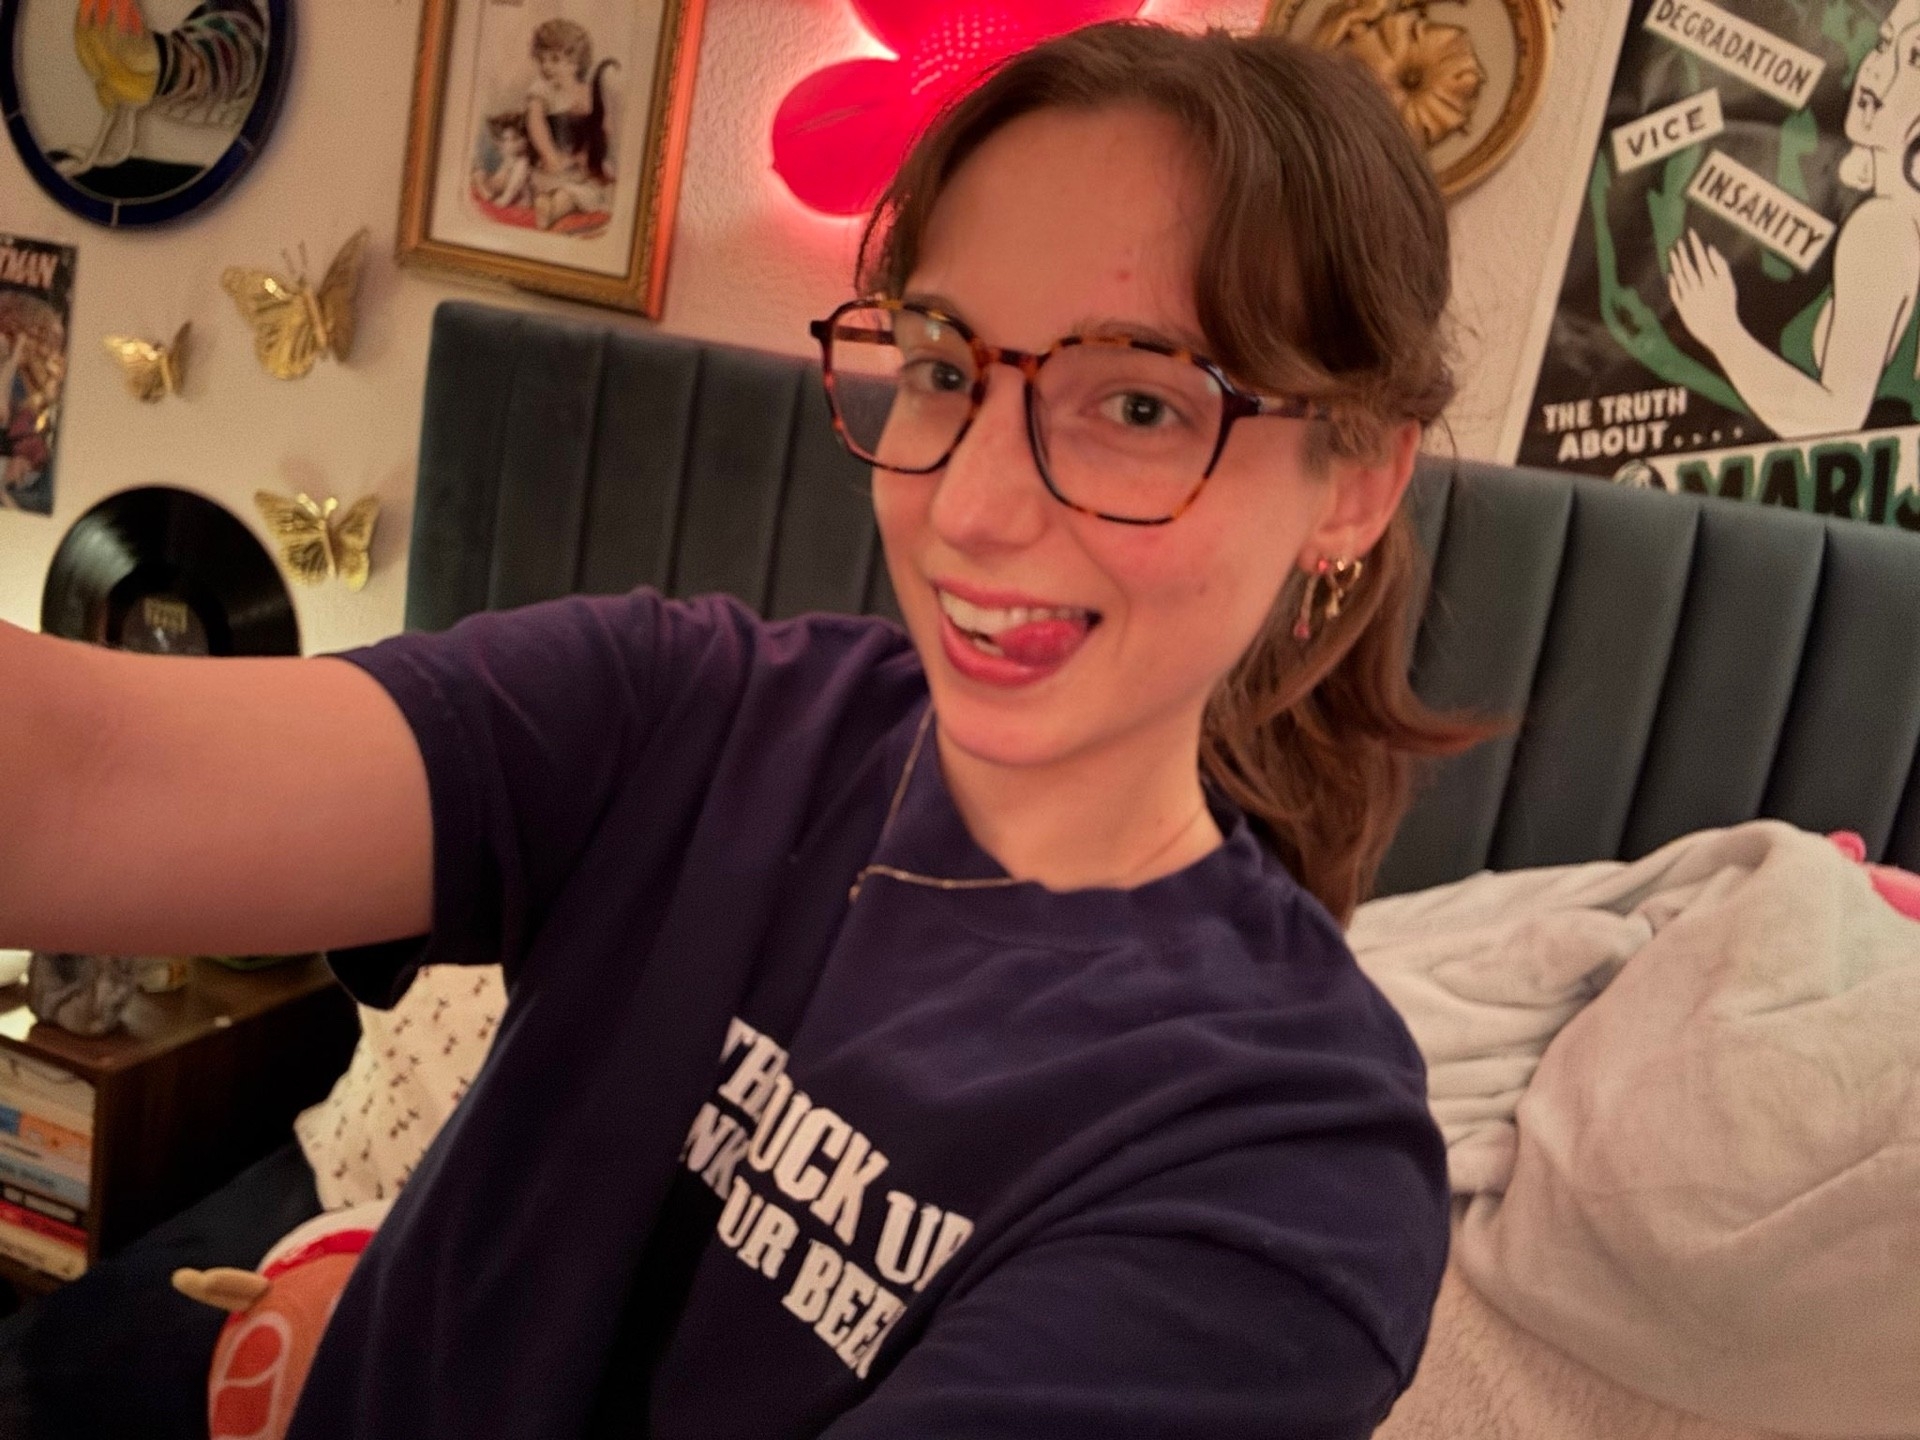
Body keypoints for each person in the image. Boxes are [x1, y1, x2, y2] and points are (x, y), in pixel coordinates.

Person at [0, 21, 1476, 1439]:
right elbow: (86, 778)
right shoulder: (692, 714)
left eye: (1141, 406)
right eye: (944, 368)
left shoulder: (1285, 1165)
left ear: (1355, 484)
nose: (968, 507)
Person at [1667, 0, 1920, 439]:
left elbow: (1835, 419)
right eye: (1883, 45)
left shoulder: (1883, 229)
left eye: (1917, 59)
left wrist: (1721, 331)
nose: (1878, 71)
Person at [524, 18, 617, 232]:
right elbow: (535, 124)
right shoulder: (542, 91)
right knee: (574, 191)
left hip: (582, 167)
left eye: (555, 59)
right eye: (542, 59)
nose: (546, 66)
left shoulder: (586, 92)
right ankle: (554, 205)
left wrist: (591, 154)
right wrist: (549, 155)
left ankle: (553, 205)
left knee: (597, 188)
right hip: (553, 166)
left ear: (575, 63)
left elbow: (604, 128)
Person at [472, 110, 536, 211]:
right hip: (503, 191)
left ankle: (489, 194)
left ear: (526, 140)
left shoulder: (522, 162)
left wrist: (504, 199)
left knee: (517, 171)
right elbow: (500, 177)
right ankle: (487, 192)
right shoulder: (509, 158)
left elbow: (513, 187)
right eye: (506, 140)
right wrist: (490, 182)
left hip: (518, 199)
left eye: (516, 139)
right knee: (478, 174)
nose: (511, 144)